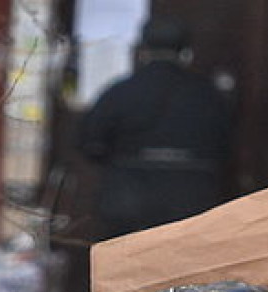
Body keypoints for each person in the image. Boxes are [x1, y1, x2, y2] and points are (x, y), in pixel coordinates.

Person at [78, 17, 233, 240]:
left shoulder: (120, 92)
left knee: (124, 265)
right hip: (191, 200)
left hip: (127, 199)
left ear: (143, 50)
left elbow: (89, 142)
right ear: (186, 52)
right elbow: (225, 144)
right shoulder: (208, 95)